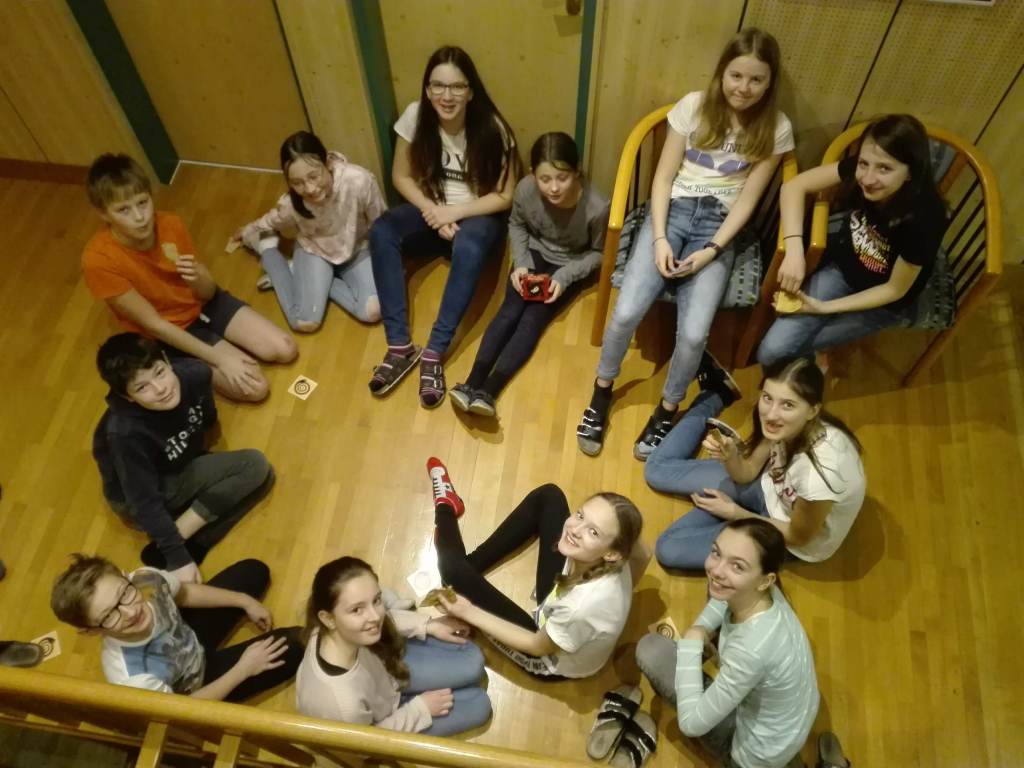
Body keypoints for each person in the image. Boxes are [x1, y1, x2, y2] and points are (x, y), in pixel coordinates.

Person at [576, 27, 794, 459]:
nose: (744, 88)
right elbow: (661, 179)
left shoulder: (777, 127)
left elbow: (748, 201)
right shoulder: (693, 107)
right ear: (722, 72)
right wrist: (659, 238)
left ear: (770, 83)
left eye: (756, 79)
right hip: (673, 211)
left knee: (694, 336)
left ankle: (668, 408)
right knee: (626, 313)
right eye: (736, 76)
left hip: (720, 226)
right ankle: (602, 390)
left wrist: (712, 250)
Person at [368, 45, 519, 408]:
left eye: (456, 87)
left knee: (469, 246)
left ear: (470, 91)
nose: (446, 96)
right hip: (432, 207)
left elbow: (504, 195)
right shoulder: (415, 116)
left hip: (476, 214)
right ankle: (400, 347)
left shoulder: (493, 127)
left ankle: (434, 352)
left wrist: (455, 213)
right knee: (382, 230)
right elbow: (401, 176)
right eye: (437, 86)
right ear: (427, 88)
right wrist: (433, 212)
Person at [81, 154, 297, 403]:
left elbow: (208, 292)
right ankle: (186, 361)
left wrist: (200, 277)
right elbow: (155, 325)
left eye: (142, 202)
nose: (140, 217)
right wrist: (220, 359)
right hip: (171, 329)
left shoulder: (170, 224)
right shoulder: (98, 260)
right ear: (103, 213)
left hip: (204, 304)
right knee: (256, 388)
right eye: (123, 210)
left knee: (286, 349)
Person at [427, 458, 647, 679]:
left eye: (593, 532)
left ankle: (445, 507)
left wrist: (467, 611)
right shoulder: (622, 549)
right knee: (549, 496)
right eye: (580, 515)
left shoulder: (578, 608)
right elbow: (645, 553)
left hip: (546, 655)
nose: (575, 529)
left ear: (613, 554)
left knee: (452, 571)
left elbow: (536, 646)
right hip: (560, 600)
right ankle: (465, 573)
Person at [757, 114, 948, 365]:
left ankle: (810, 366)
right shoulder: (864, 170)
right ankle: (812, 362)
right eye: (863, 163)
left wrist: (824, 308)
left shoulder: (925, 218)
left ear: (911, 172)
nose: (867, 178)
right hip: (843, 270)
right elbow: (794, 187)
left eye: (885, 168)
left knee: (776, 352)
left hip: (881, 302)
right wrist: (794, 252)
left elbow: (894, 290)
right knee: (772, 350)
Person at [645, 356, 865, 570]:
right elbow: (748, 472)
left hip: (785, 535)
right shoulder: (784, 425)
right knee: (656, 471)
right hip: (766, 488)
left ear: (813, 410)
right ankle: (717, 393)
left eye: (788, 405)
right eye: (767, 397)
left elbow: (797, 537)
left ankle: (729, 518)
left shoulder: (820, 475)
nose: (771, 414)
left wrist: (735, 513)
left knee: (668, 548)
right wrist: (731, 457)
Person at [635, 519, 819, 768]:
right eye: (716, 552)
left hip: (752, 755)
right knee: (718, 588)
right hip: (785, 726)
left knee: (651, 651)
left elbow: (691, 723)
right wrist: (701, 629)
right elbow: (721, 599)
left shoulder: (752, 649)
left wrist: (691, 643)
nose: (716, 570)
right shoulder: (768, 594)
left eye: (738, 566)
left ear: (766, 580)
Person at [93, 333, 274, 584]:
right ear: (127, 397)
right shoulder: (125, 433)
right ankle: (174, 544)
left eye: (159, 372)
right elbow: (143, 501)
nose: (161, 389)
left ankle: (193, 540)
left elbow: (206, 415)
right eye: (142, 387)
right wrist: (178, 558)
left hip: (177, 463)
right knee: (254, 466)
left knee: (265, 479)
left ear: (167, 361)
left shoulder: (195, 373)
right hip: (141, 495)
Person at [450, 132, 609, 418]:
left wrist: (564, 277)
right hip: (533, 253)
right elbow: (517, 224)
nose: (554, 188)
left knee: (533, 318)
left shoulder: (597, 207)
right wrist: (521, 262)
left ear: (577, 173)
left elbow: (598, 253)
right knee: (509, 311)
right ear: (533, 174)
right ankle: (472, 382)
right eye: (545, 179)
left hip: (569, 264)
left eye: (562, 178)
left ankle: (490, 391)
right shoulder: (525, 189)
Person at [51, 554, 303, 702]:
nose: (131, 612)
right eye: (109, 615)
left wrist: (244, 601)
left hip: (188, 633)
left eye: (124, 593)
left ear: (126, 577)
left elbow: (185, 594)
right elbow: (185, 710)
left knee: (254, 571)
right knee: (296, 643)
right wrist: (243, 670)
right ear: (91, 631)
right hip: (196, 687)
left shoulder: (146, 579)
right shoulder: (132, 677)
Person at [296, 556, 491, 736]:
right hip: (387, 716)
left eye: (376, 600)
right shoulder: (343, 705)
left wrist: (428, 625)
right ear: (328, 618)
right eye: (356, 609)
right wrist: (420, 709)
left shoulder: (332, 627)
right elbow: (368, 743)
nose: (375, 616)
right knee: (479, 704)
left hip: (388, 671)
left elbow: (384, 620)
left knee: (474, 659)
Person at [233, 131, 385, 332]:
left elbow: (381, 222)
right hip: (314, 250)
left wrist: (392, 261)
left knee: (373, 311)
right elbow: (273, 219)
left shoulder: (358, 180)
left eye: (314, 176)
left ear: (327, 162)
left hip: (357, 249)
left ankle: (300, 273)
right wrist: (248, 231)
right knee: (304, 322)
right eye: (297, 183)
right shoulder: (291, 204)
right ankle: (267, 249)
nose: (310, 188)